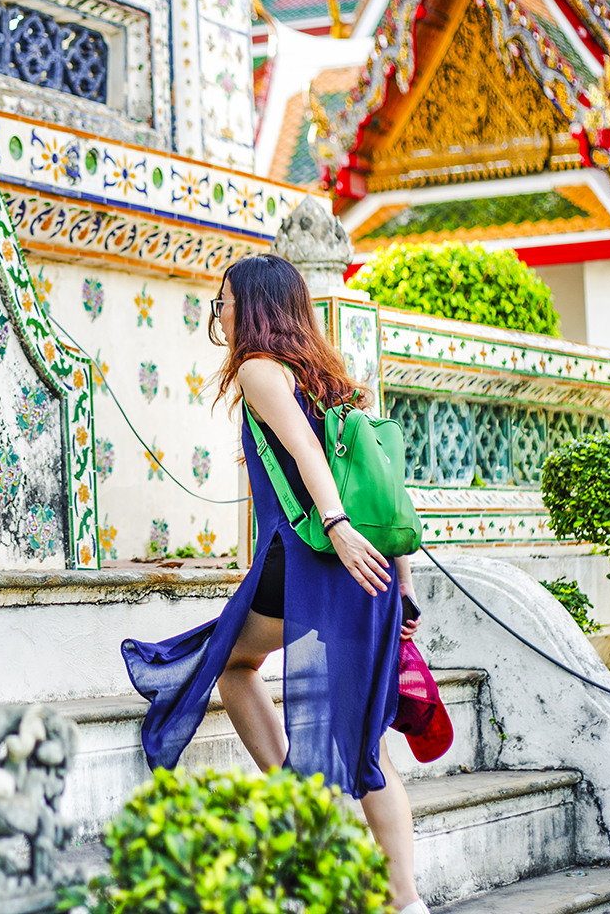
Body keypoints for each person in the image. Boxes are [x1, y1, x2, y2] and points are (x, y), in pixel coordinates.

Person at [121, 254, 426, 914]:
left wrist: (337, 527)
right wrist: (403, 588)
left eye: (222, 301)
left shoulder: (261, 369)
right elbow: (391, 494)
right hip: (371, 568)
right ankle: (404, 897)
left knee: (233, 665)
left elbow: (309, 455)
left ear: (251, 307)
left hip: (319, 560)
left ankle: (303, 800)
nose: (218, 314)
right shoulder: (329, 377)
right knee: (362, 746)